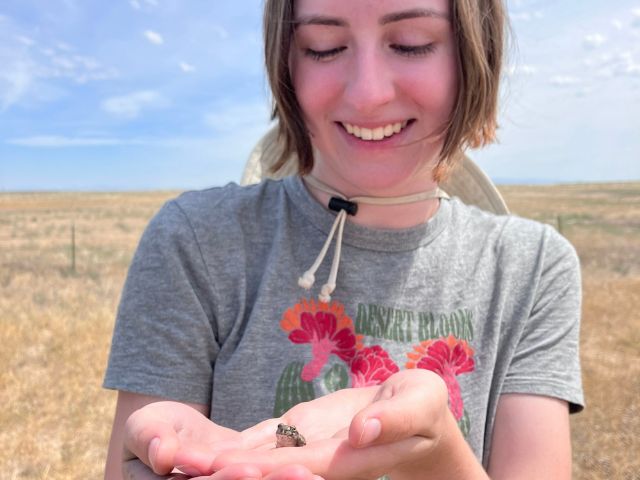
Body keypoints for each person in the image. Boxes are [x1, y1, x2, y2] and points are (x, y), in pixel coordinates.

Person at [103, 0, 584, 478]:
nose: (368, 93)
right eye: (324, 48)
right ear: (286, 61)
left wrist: (434, 455)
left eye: (411, 44)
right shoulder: (194, 240)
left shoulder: (534, 267)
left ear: (474, 55)